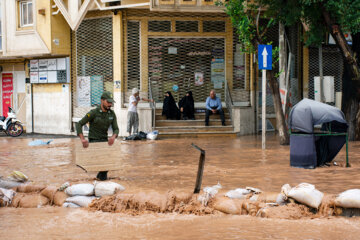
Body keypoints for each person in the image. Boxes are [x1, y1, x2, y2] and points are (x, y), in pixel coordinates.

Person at [76, 91, 119, 181]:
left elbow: (116, 129)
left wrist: (113, 137)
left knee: (107, 165)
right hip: (93, 142)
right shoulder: (93, 113)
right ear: (102, 101)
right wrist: (83, 139)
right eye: (108, 102)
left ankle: (99, 181)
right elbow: (79, 124)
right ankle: (100, 181)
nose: (110, 104)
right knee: (104, 166)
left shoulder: (111, 114)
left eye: (111, 102)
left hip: (104, 142)